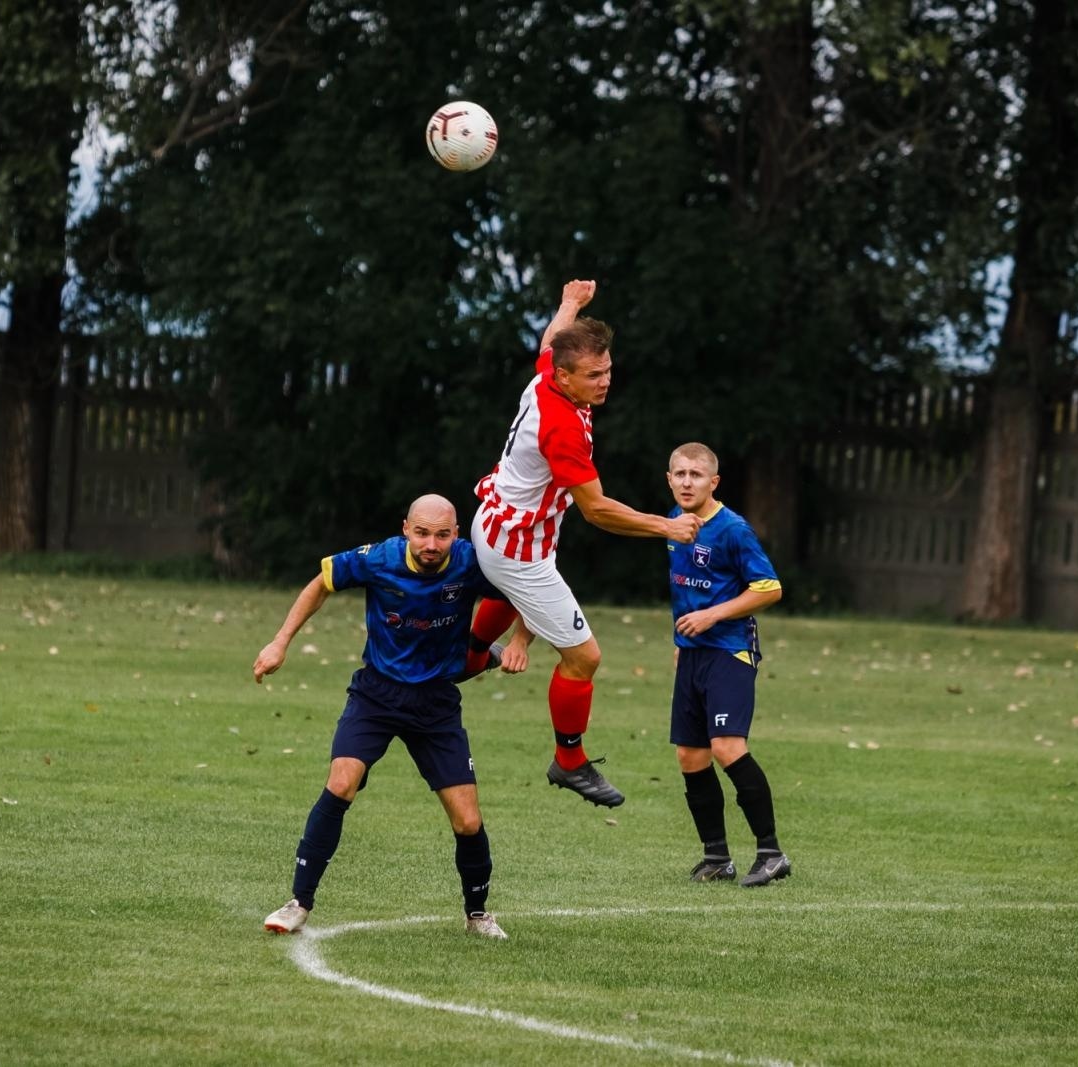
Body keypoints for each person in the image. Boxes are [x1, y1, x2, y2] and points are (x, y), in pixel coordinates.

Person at [461, 279, 702, 809]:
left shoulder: (552, 374)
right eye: (594, 375)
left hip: (496, 521)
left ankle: (473, 655)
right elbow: (596, 509)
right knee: (584, 658)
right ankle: (568, 760)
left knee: (503, 595)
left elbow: (551, 341)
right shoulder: (562, 428)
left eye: (609, 369)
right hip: (518, 549)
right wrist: (667, 526)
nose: (605, 381)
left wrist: (571, 304)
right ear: (567, 377)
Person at [253, 494, 524, 938]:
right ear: (405, 529)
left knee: (467, 820)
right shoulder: (378, 559)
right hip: (376, 694)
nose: (431, 544)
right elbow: (320, 583)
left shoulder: (473, 563)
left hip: (436, 703)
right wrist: (280, 641)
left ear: (456, 534)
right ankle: (298, 903)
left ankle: (477, 913)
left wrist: (520, 642)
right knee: (341, 784)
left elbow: (526, 587)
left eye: (441, 534)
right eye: (421, 533)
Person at [662, 442, 791, 887]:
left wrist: (713, 615)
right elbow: (684, 589)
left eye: (696, 475)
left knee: (726, 747)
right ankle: (716, 856)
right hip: (693, 653)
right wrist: (681, 639)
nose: (686, 481)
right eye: (679, 474)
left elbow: (769, 588)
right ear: (669, 479)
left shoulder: (733, 529)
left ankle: (771, 852)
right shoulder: (673, 524)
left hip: (730, 650)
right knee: (690, 756)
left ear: (713, 482)